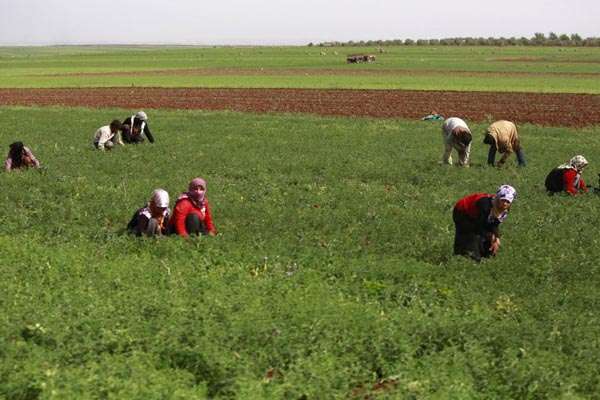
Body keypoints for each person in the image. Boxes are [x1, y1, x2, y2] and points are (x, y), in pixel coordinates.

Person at [453, 184, 516, 262]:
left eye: (508, 202)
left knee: (489, 242)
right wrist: (490, 235)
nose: (505, 204)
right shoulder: (485, 205)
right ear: (498, 198)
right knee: (470, 236)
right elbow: (479, 226)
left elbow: (495, 224)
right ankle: (464, 256)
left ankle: (483, 256)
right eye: (503, 200)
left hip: (478, 218)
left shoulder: (504, 210)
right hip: (462, 212)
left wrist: (496, 238)